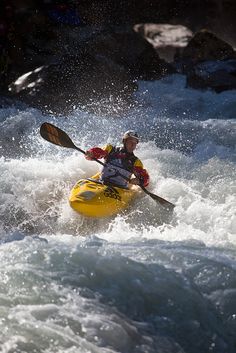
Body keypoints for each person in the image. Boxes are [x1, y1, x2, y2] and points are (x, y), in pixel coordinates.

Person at [85, 130, 149, 189]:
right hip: (103, 182)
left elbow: (145, 179)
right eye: (130, 141)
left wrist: (140, 181)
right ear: (124, 141)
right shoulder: (111, 149)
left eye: (135, 143)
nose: (132, 145)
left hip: (119, 188)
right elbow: (100, 152)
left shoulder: (135, 162)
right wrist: (91, 153)